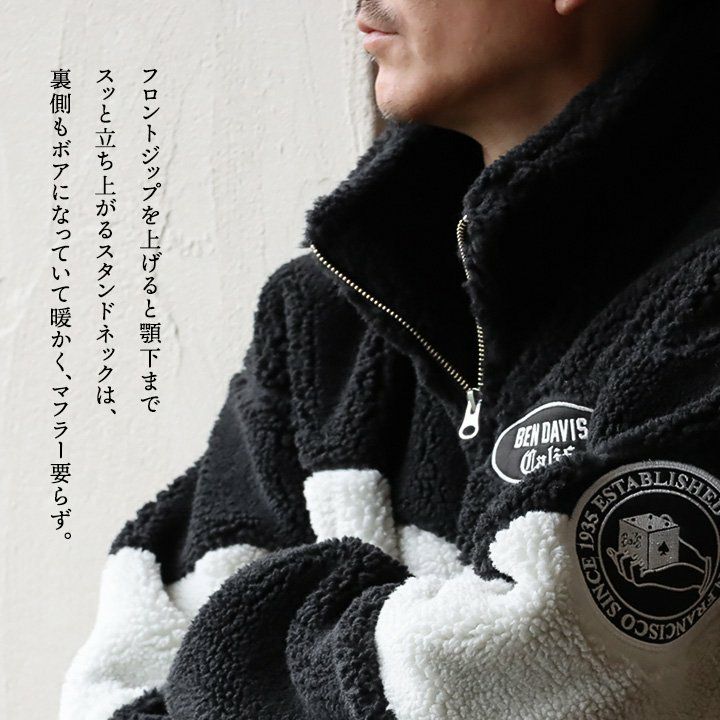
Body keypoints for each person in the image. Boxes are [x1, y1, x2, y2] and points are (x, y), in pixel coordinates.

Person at [60, 1, 720, 718]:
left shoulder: (701, 295)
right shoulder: (324, 321)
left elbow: (560, 672)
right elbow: (118, 682)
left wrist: (249, 650)